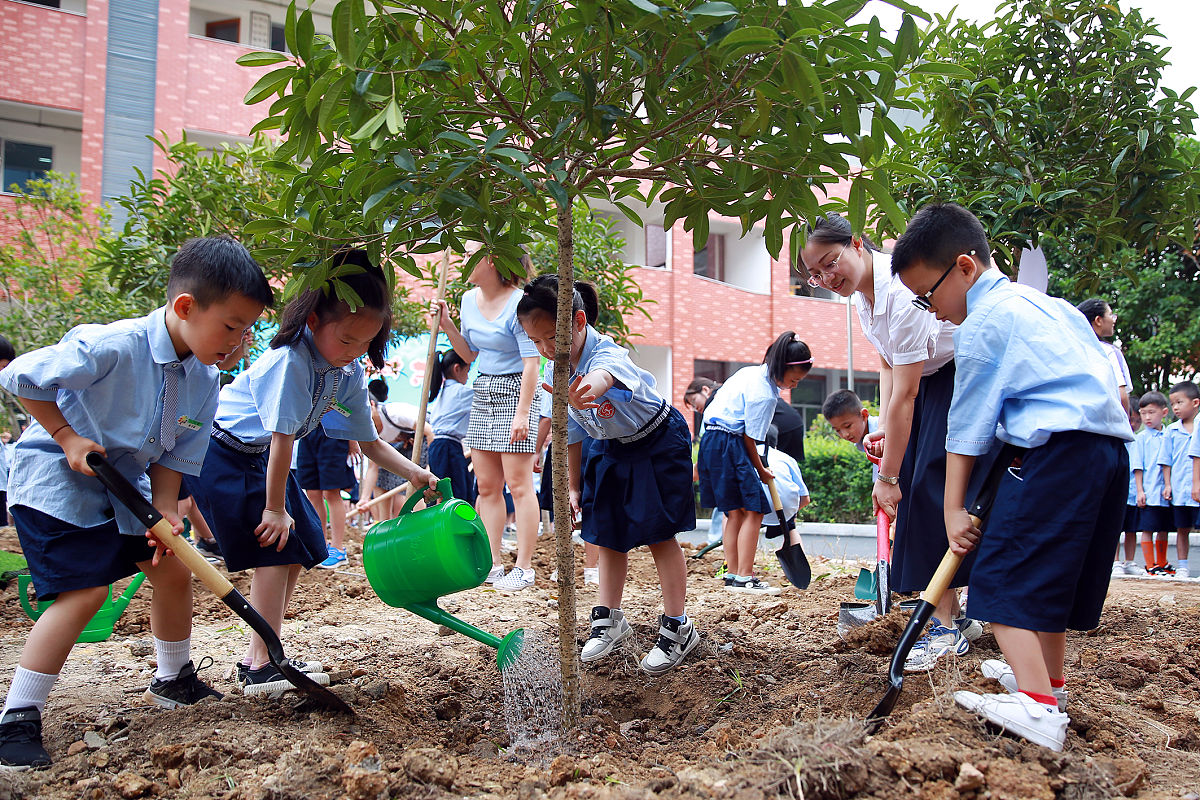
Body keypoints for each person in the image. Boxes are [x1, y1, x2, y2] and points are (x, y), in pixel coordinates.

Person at [0, 236, 272, 769]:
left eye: (247, 330)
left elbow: (178, 453)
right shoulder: (114, 345)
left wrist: (168, 508)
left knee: (171, 566)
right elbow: (20, 376)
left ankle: (172, 678)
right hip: (56, 476)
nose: (239, 342)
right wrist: (66, 435)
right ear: (186, 307)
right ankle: (17, 718)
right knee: (84, 593)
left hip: (128, 485)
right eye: (231, 326)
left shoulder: (205, 378)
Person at [892, 201, 1132, 752]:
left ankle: (1039, 711)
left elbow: (967, 429)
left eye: (929, 296)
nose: (931, 311)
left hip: (1059, 455)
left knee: (1002, 578)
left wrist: (953, 510)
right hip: (1105, 453)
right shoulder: (1052, 307)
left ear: (965, 267)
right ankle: (1050, 686)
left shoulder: (985, 324)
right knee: (1048, 579)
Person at [186, 249, 437, 697]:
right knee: (276, 547)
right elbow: (283, 438)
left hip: (259, 456)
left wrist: (414, 473)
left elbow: (369, 442)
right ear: (314, 321)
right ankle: (263, 664)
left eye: (366, 343)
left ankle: (261, 654)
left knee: (305, 547)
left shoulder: (348, 371)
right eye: (347, 340)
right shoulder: (290, 361)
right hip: (221, 452)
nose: (355, 352)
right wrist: (274, 508)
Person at [800, 213, 982, 670]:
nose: (826, 278)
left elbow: (908, 392)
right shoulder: (863, 299)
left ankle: (942, 627)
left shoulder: (900, 294)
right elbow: (887, 367)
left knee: (926, 496)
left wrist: (889, 476)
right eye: (815, 274)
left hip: (956, 381)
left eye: (830, 262)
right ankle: (954, 616)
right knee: (931, 495)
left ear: (857, 243)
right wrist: (883, 424)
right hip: (927, 385)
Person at [517, 276, 699, 673]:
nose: (547, 350)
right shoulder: (559, 369)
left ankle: (677, 626)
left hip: (656, 443)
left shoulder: (606, 354)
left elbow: (605, 377)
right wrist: (573, 487)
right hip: (611, 448)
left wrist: (588, 391)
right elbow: (575, 433)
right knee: (606, 534)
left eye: (552, 338)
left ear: (579, 321)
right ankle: (610, 619)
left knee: (659, 535)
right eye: (537, 343)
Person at [434, 247, 541, 591]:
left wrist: (523, 413)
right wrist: (448, 325)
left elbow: (531, 363)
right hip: (484, 390)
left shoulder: (520, 302)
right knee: (487, 486)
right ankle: (493, 564)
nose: (464, 263)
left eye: (471, 255)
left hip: (517, 391)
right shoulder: (467, 299)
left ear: (493, 261)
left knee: (519, 484)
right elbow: (469, 354)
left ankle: (524, 567)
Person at [697, 332, 813, 594]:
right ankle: (745, 576)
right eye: (794, 380)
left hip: (711, 441)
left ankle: (734, 575)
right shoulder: (766, 395)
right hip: (730, 442)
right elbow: (751, 441)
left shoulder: (749, 373)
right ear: (782, 368)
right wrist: (762, 471)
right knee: (755, 510)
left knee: (734, 512)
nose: (793, 386)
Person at [297, 420, 360, 569]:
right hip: (307, 430)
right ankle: (320, 546)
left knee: (331, 492)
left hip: (334, 430)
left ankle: (337, 548)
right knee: (312, 492)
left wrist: (352, 439)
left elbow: (350, 406)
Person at [1160, 381, 1199, 579]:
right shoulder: (1171, 430)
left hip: (1197, 488)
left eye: (1179, 402)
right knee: (1182, 527)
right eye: (1173, 403)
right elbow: (1166, 460)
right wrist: (1167, 484)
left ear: (1195, 403)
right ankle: (1182, 565)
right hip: (1180, 488)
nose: (1175, 407)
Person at [426, 350, 476, 503]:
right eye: (467, 371)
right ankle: (450, 526)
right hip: (447, 446)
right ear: (457, 368)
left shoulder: (443, 392)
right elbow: (487, 396)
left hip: (440, 446)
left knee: (443, 490)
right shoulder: (460, 392)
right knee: (454, 493)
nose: (467, 377)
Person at [1136, 392, 1174, 574]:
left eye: (1151, 412)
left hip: (1165, 493)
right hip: (1149, 491)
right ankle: (1150, 564)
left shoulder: (1170, 434)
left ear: (1164, 412)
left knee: (1163, 528)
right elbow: (1137, 467)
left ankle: (1162, 562)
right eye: (1143, 413)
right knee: (1148, 528)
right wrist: (1139, 490)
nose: (1147, 417)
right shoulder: (1141, 438)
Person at [1076, 298, 1132, 416]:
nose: (1113, 320)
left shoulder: (1072, 349)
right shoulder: (1109, 352)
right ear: (1098, 320)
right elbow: (1121, 396)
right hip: (1106, 425)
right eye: (1111, 315)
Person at [759, 425, 811, 540]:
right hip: (784, 511)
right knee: (791, 526)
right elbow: (805, 499)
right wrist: (790, 513)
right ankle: (796, 556)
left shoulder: (747, 456)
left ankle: (733, 557)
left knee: (729, 515)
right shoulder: (786, 458)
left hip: (757, 512)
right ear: (776, 445)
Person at [821, 389, 881, 482]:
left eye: (848, 426)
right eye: (837, 430)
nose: (845, 435)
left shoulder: (882, 434)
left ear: (864, 415)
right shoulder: (863, 439)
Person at [1113, 395, 1143, 576]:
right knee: (1115, 528)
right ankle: (1115, 561)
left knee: (1131, 530)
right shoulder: (1116, 441)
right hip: (1117, 494)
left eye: (1137, 421)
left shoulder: (1139, 441)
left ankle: (1129, 561)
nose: (1133, 425)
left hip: (1133, 494)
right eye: (1130, 419)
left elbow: (1140, 468)